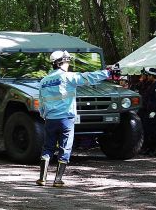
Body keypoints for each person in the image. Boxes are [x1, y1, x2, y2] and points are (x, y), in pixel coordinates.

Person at [36, 50, 110, 187]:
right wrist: (108, 73)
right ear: (60, 63)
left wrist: (44, 115)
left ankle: (42, 179)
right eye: (67, 61)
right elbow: (88, 78)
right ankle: (58, 180)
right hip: (66, 119)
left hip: (50, 119)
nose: (68, 63)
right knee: (65, 148)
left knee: (47, 147)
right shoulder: (68, 77)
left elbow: (41, 102)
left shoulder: (44, 81)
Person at [141, 67, 156, 156]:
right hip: (150, 111)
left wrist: (154, 111)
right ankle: (151, 148)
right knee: (150, 130)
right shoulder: (152, 85)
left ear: (152, 76)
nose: (147, 77)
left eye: (149, 75)